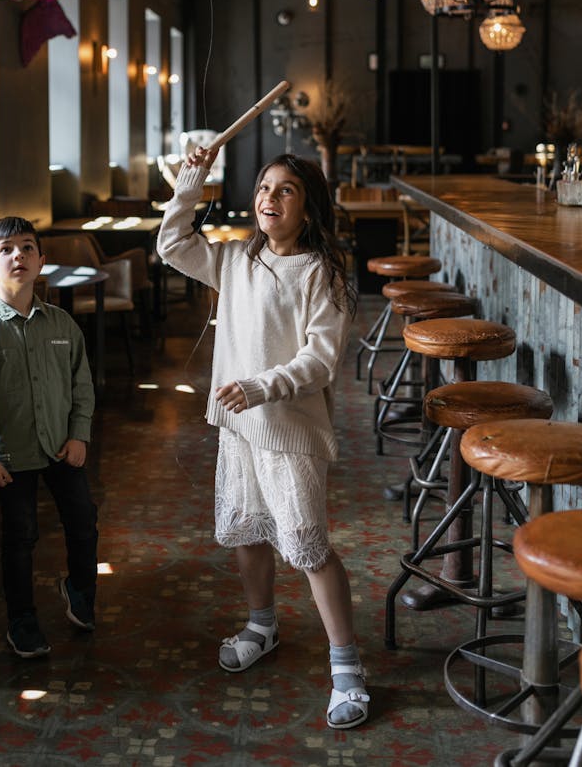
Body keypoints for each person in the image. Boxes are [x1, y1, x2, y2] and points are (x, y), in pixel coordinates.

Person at [157, 149, 369, 729]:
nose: (269, 199)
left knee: (308, 545)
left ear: (309, 207)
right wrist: (192, 181)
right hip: (239, 426)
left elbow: (320, 359)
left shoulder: (320, 271)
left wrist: (260, 386)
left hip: (288, 429)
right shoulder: (233, 260)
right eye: (263, 189)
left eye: (287, 191)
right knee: (247, 530)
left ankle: (346, 666)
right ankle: (262, 624)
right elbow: (171, 244)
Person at [0, 216, 98, 659]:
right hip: (10, 456)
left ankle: (80, 590)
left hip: (61, 448)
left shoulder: (63, 326)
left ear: (41, 261)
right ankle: (22, 620)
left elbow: (82, 387)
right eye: (7, 249)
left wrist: (79, 435)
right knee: (20, 539)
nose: (19, 255)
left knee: (83, 523)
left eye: (28, 248)